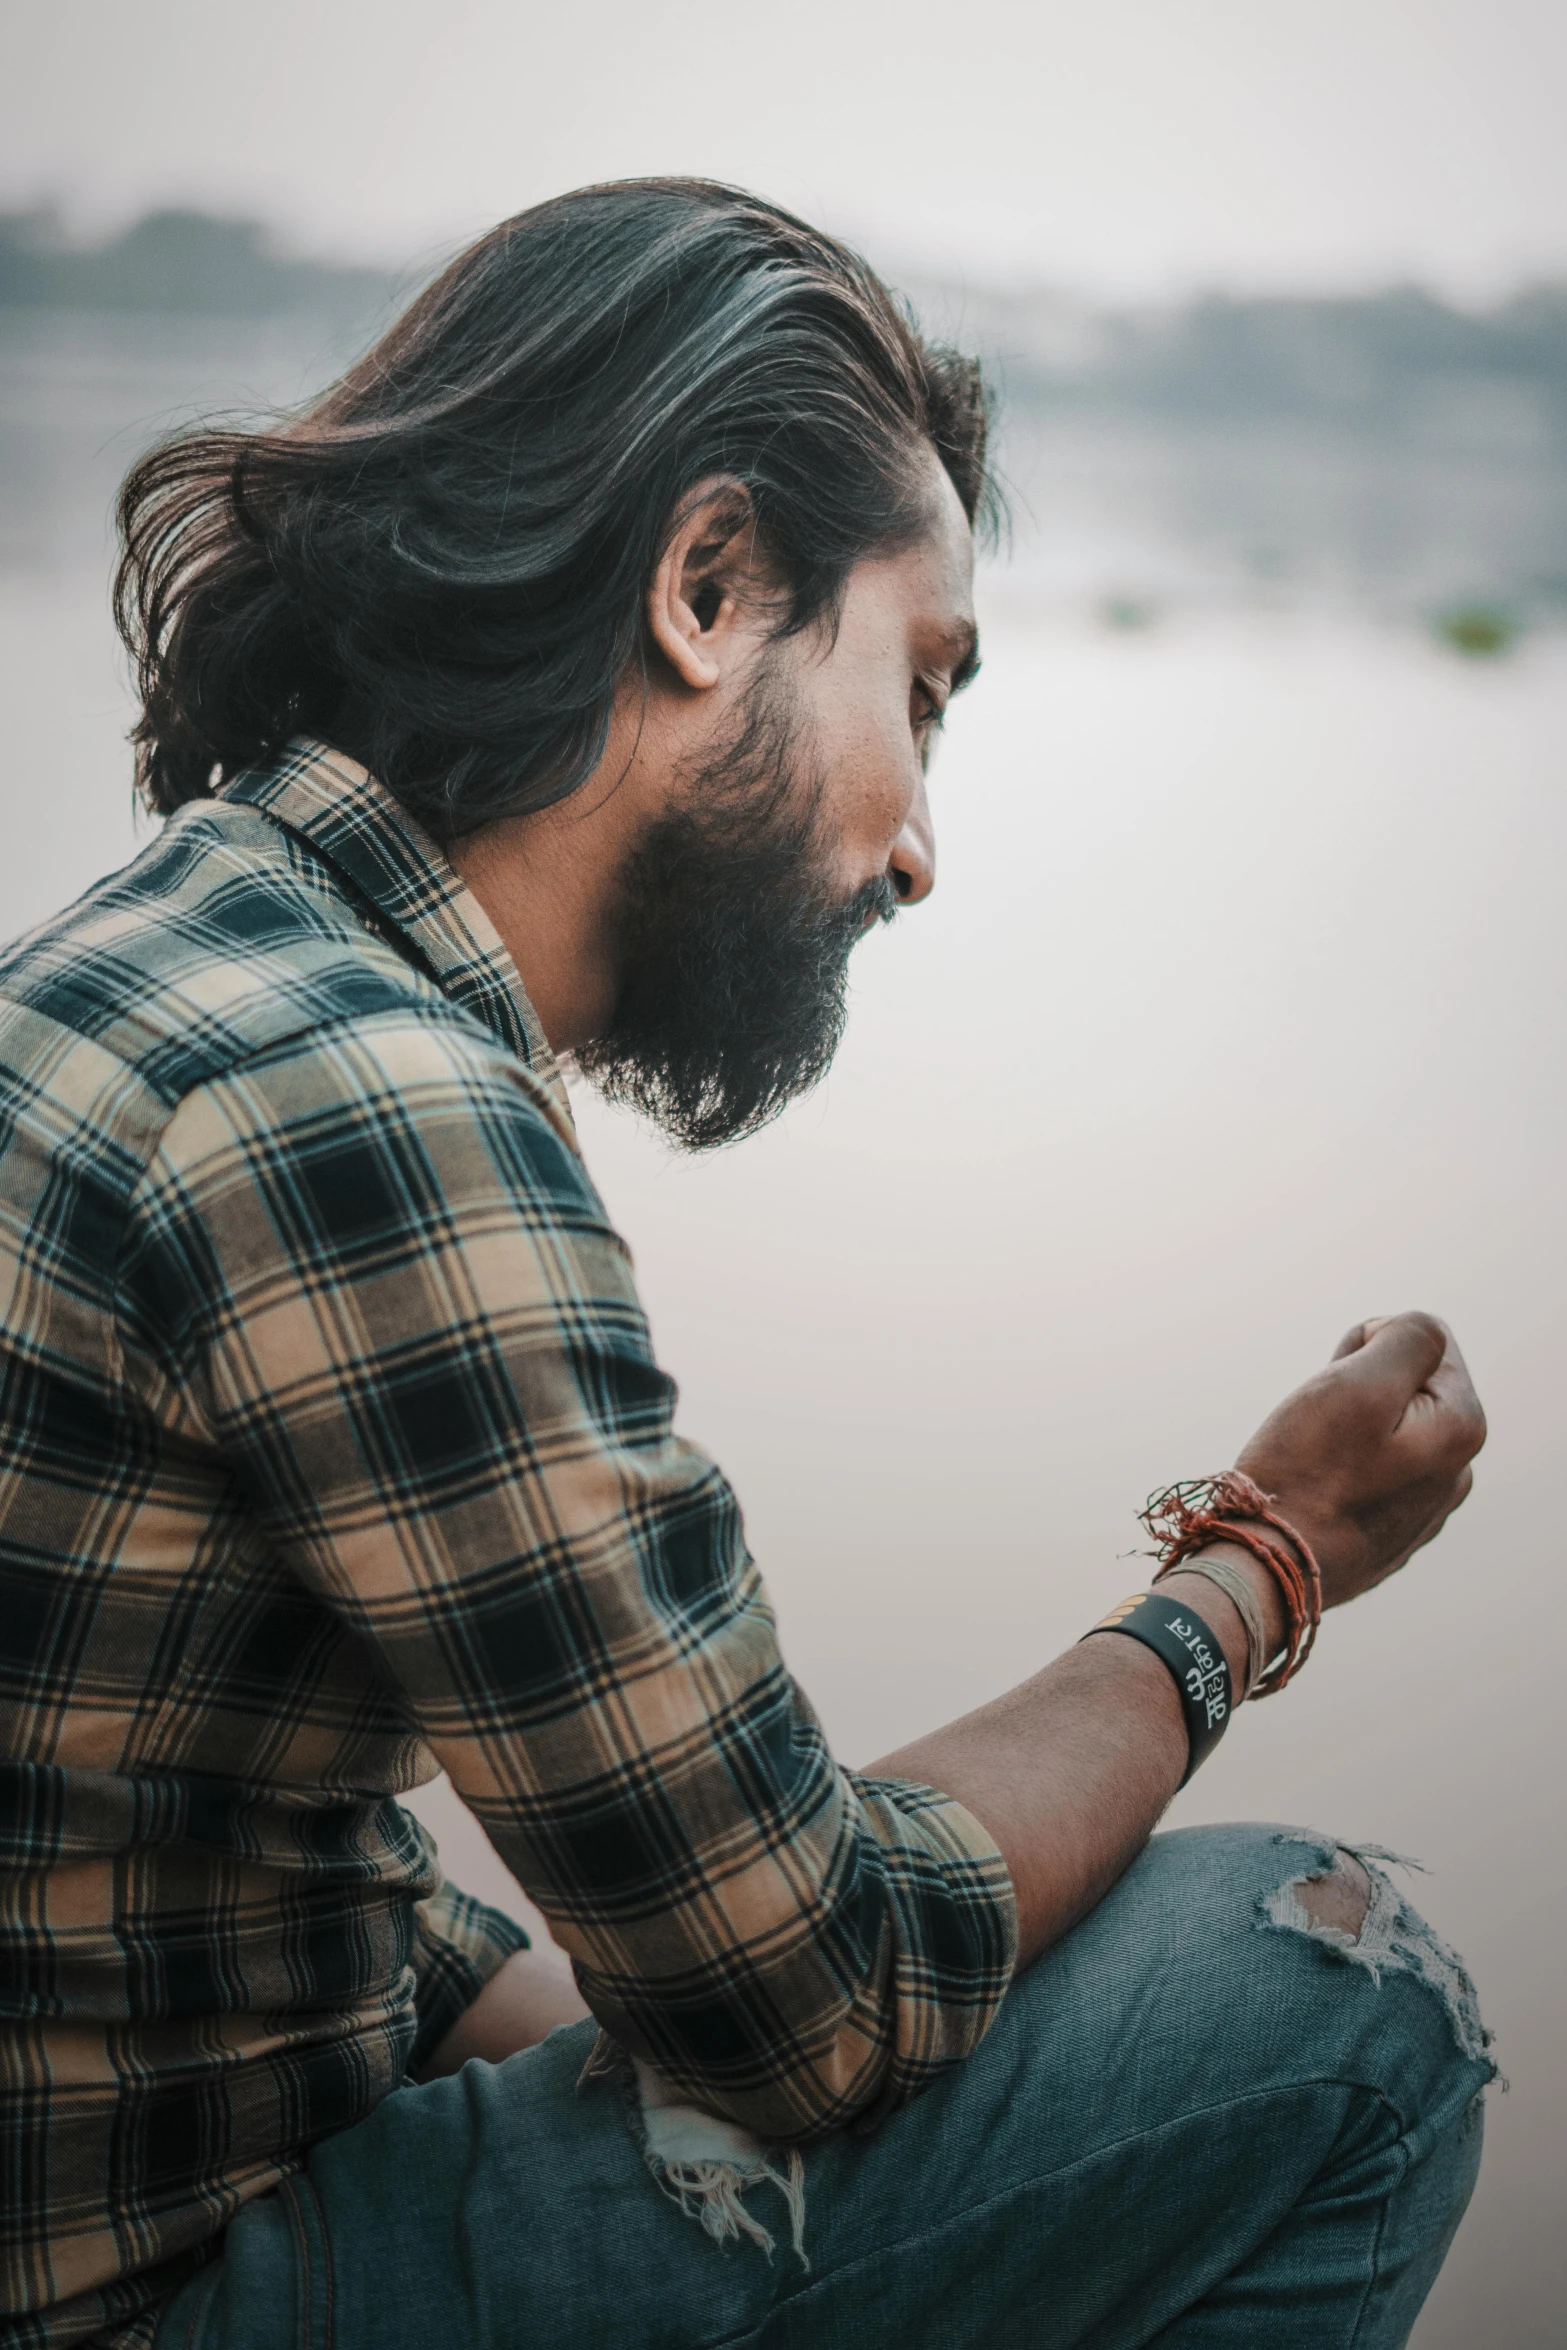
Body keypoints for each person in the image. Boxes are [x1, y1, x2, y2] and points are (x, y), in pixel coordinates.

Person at [0, 180, 1490, 2350]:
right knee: (1333, 1994)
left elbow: (203, 1823)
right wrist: (1258, 1558)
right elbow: (820, 1987)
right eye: (925, 685)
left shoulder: (161, 958)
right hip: (144, 2299)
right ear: (709, 587)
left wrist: (626, 2047)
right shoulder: (366, 1101)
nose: (914, 842)